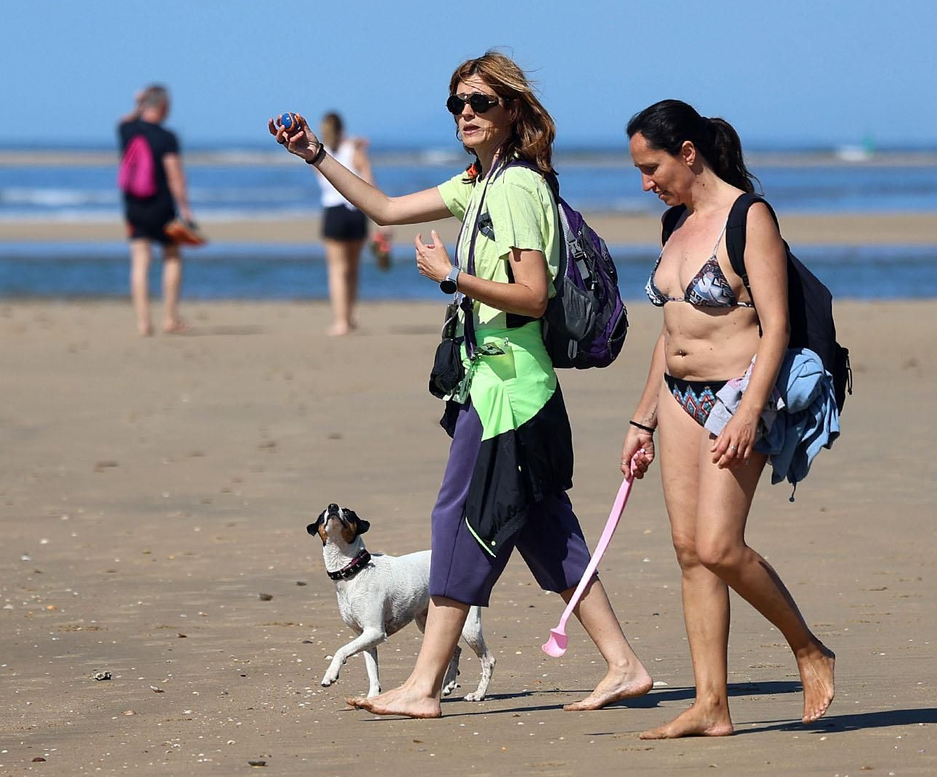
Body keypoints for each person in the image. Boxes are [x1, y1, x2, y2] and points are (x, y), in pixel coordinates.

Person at [270, 51, 651, 717]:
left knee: (459, 521)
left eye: (479, 102)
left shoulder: (517, 190)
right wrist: (316, 154)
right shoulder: (480, 184)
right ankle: (624, 664)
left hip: (514, 392)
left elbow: (532, 295)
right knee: (544, 530)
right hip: (493, 388)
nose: (466, 114)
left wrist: (453, 277)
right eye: (457, 105)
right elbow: (386, 209)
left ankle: (423, 685)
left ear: (511, 110)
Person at [620, 100, 836, 738]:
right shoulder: (674, 225)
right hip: (678, 397)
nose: (645, 182)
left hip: (737, 395)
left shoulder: (750, 218)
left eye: (651, 166)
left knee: (719, 545)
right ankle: (711, 705)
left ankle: (807, 647)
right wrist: (643, 420)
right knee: (690, 553)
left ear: (688, 152)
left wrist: (748, 411)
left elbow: (777, 327)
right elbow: (672, 329)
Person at [117, 85, 195, 336]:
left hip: (133, 206)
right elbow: (175, 176)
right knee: (171, 256)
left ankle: (143, 323)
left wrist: (138, 102)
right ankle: (170, 318)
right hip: (161, 206)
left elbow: (124, 119)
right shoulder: (166, 137)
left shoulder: (127, 130)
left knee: (140, 261)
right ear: (163, 107)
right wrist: (185, 208)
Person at [315, 112, 391, 336]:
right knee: (352, 269)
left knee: (337, 270)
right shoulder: (355, 152)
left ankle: (341, 321)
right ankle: (348, 316)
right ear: (342, 129)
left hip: (334, 213)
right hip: (357, 213)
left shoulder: (319, 154)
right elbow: (370, 184)